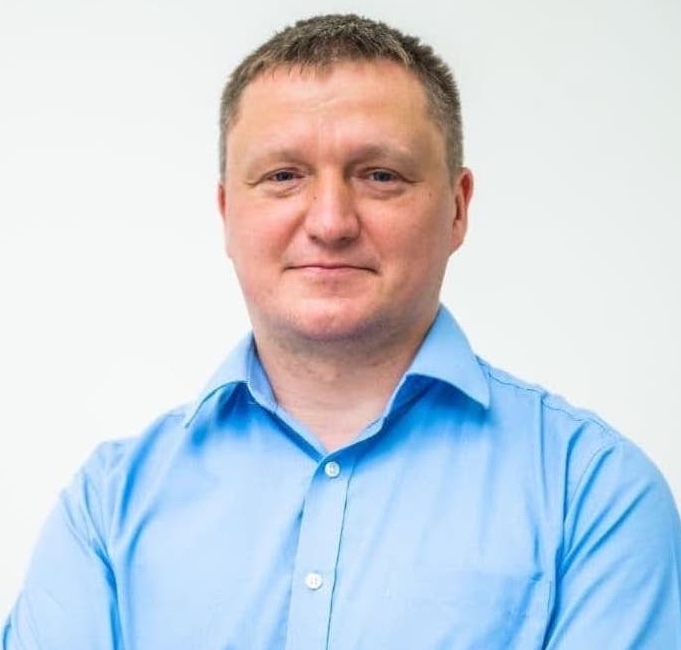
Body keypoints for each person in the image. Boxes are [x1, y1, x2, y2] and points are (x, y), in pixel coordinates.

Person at [3, 13, 681, 650]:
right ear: (227, 212)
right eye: (283, 176)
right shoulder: (108, 506)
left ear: (456, 208)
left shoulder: (594, 495)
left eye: (380, 175)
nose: (330, 222)